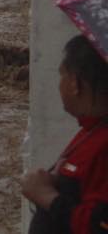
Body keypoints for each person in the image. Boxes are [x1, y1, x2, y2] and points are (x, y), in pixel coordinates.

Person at [23, 33, 108, 233]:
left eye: (62, 75)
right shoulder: (93, 129)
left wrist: (48, 197)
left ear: (74, 83)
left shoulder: (104, 145)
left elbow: (102, 226)